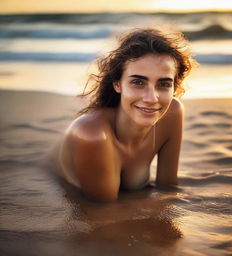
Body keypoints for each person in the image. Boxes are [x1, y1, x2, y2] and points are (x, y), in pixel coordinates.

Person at [57, 28, 194, 202]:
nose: (152, 98)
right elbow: (102, 218)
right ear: (117, 84)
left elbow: (168, 189)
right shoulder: (92, 133)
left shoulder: (172, 112)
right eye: (138, 82)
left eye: (164, 84)